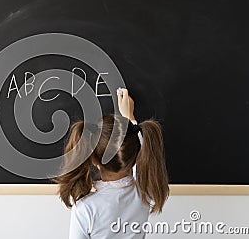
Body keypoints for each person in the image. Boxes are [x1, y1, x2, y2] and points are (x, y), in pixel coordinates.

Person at [54, 88, 169, 239]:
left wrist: (130, 122)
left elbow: (139, 151)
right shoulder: (144, 193)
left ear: (93, 158)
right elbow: (142, 153)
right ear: (134, 156)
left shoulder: (86, 209)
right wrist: (130, 118)